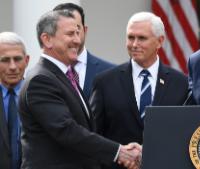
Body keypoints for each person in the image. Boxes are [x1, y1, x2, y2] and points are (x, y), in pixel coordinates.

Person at [18, 10, 141, 169]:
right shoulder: (41, 80)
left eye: (78, 33)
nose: (77, 40)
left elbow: (86, 128)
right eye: (70, 34)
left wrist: (120, 149)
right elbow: (67, 130)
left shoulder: (65, 76)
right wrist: (120, 152)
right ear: (47, 39)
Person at [90, 12, 189, 169]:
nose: (134, 44)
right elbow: (94, 135)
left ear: (159, 41)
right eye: (130, 37)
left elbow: (185, 133)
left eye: (142, 38)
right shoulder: (104, 82)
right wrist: (121, 155)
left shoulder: (181, 83)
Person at [53, 3, 115, 99]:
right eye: (66, 31)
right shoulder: (42, 75)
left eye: (76, 30)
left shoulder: (111, 73)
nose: (72, 38)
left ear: (85, 31)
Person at [0, 32, 29, 169]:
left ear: (27, 60)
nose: (12, 67)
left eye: (17, 59)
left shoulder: (39, 96)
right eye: (5, 60)